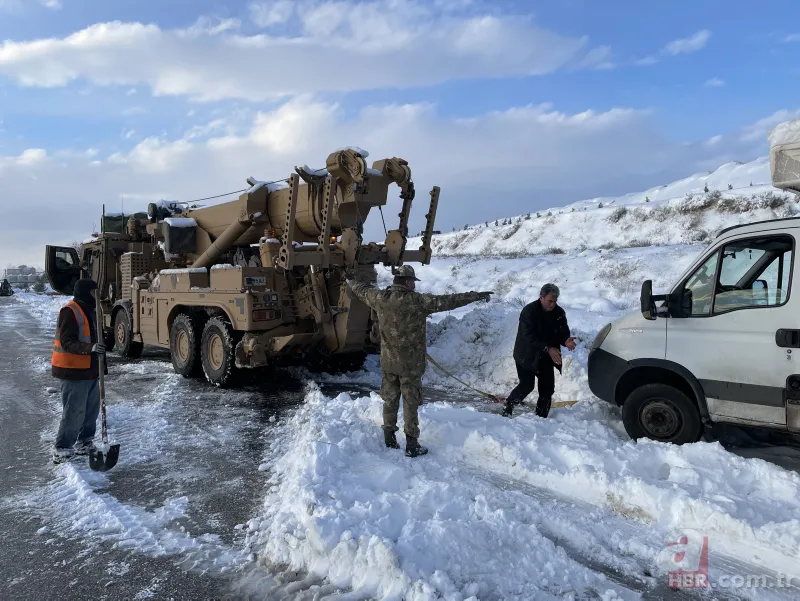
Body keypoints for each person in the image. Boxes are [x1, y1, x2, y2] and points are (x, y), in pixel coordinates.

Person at [347, 265, 492, 457]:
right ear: (408, 282)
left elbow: (361, 290)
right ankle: (412, 444)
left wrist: (350, 279)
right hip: (411, 365)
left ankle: (389, 438)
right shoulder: (418, 301)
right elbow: (449, 301)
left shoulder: (380, 299)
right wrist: (474, 295)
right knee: (410, 402)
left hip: (389, 363)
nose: (414, 285)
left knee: (389, 399)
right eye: (413, 282)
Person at [51, 279, 107, 463]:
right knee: (74, 411)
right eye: (93, 292)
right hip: (73, 371)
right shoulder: (70, 311)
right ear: (85, 292)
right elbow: (67, 342)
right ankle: (62, 447)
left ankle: (84, 442)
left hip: (91, 369)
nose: (96, 295)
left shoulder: (91, 310)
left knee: (91, 411)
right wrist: (90, 348)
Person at [502, 283, 575, 418]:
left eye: (555, 301)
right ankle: (509, 404)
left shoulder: (559, 313)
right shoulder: (529, 312)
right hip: (526, 354)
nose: (552, 304)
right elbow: (528, 336)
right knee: (527, 385)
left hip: (546, 357)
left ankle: (541, 417)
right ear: (541, 298)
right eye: (550, 301)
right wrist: (548, 348)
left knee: (547, 388)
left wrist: (566, 341)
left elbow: (562, 332)